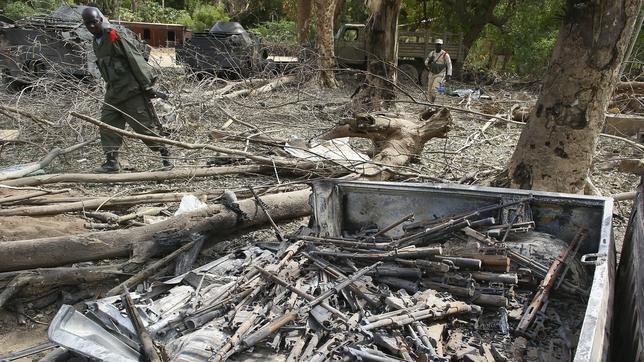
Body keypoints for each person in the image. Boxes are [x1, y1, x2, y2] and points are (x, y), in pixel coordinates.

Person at [81, 6, 172, 173]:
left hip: (131, 91)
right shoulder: (96, 42)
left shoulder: (114, 36)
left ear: (101, 20)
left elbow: (134, 58)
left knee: (143, 127)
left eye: (94, 22)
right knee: (107, 124)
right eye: (88, 24)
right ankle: (111, 161)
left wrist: (147, 85)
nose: (92, 27)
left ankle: (166, 155)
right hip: (113, 92)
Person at [424, 38, 452, 103]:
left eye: (440, 45)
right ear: (435, 45)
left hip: (440, 74)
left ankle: (433, 102)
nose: (438, 46)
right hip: (432, 73)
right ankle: (430, 103)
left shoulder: (445, 54)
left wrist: (449, 75)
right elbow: (426, 62)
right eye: (437, 44)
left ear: (441, 45)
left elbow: (449, 65)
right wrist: (429, 61)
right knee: (429, 90)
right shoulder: (432, 53)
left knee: (434, 89)